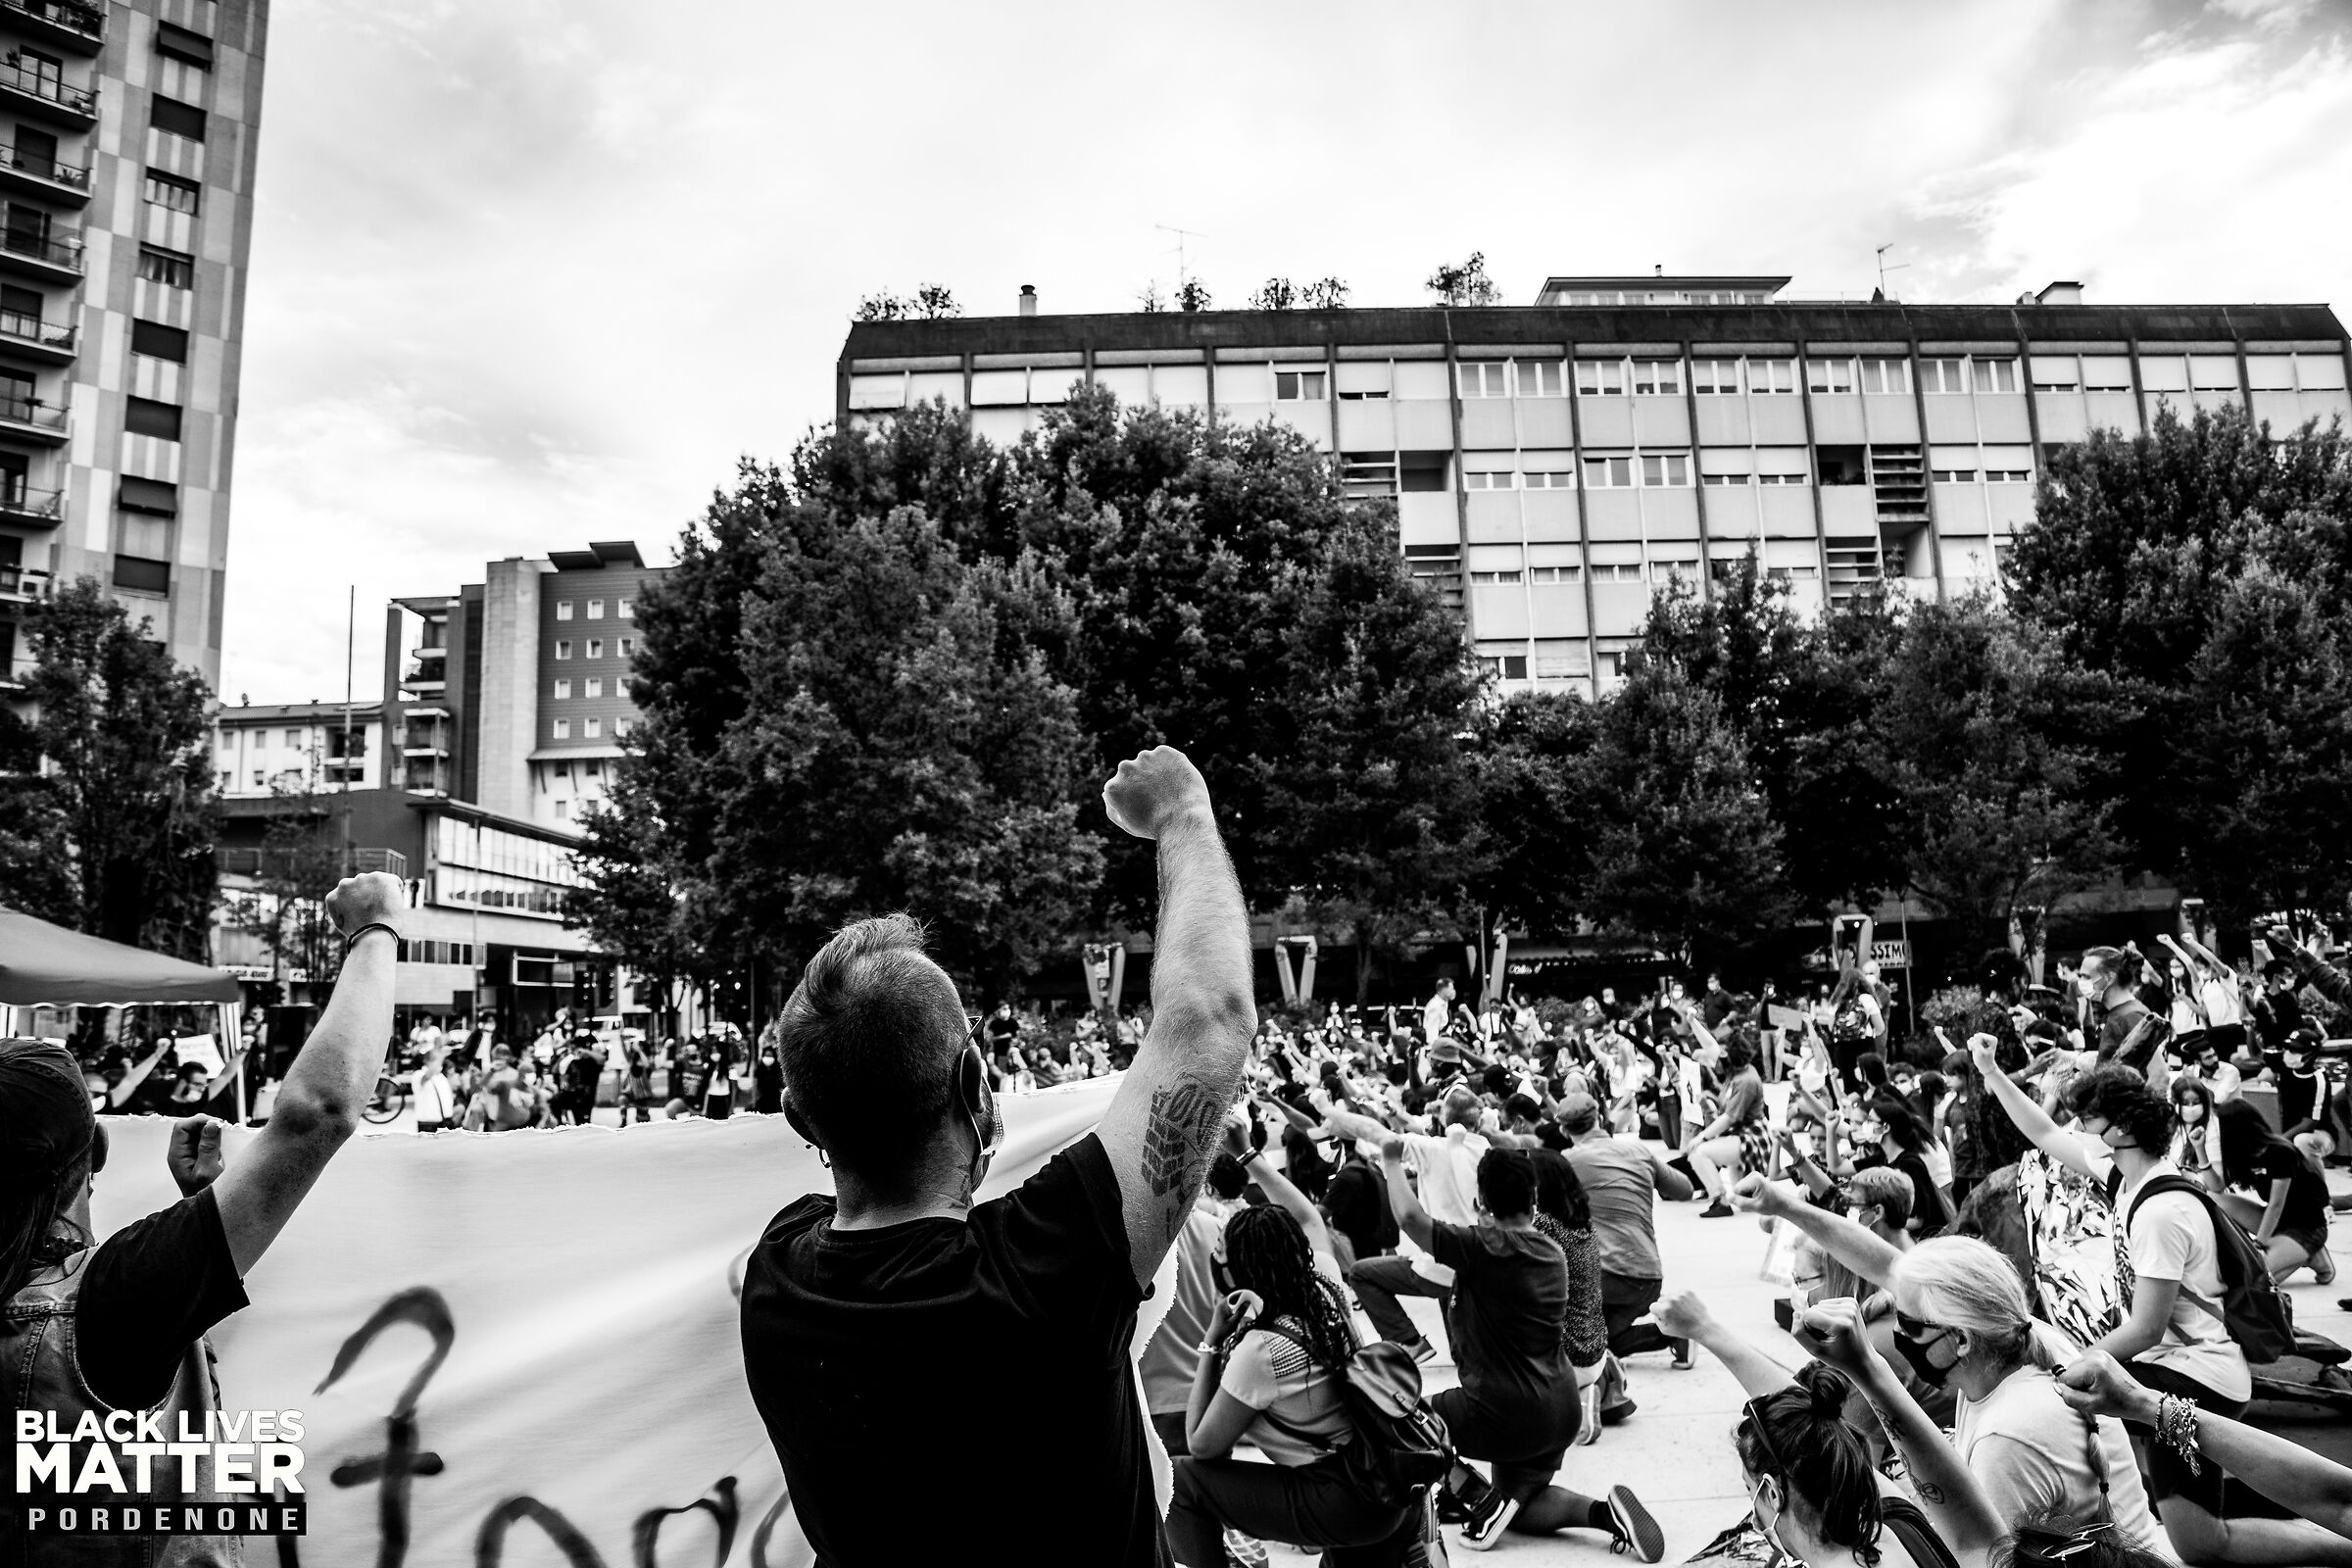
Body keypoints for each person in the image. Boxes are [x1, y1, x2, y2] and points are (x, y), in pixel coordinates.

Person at [739, 746, 1256, 1567]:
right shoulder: (1046, 1267)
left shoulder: (775, 1280)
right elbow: (1209, 1020)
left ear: (803, 1122)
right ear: (977, 1081)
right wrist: (1184, 812)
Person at [0, 873, 404, 1564]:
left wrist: (195, 1212)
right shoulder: (115, 1300)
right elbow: (320, 1114)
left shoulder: (103, 1297)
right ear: (95, 1151)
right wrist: (376, 930)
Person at [1974, 1048, 2352, 1565]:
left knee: (2200, 1543)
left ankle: (2340, 1546)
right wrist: (1992, 1074)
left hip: (2196, 1377)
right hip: (2180, 1367)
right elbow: (2043, 1134)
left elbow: (2147, 1327)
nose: (2078, 1126)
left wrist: (2067, 1360)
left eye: (2088, 1117)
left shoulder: (2159, 1211)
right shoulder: (2129, 1179)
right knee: (2193, 1523)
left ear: (2123, 1128)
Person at [1731, 1179, 2171, 1557]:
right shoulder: (2012, 1328)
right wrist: (1786, 1206)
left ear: (1959, 1339)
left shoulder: (2007, 1439)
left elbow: (1972, 1551)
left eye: (1906, 1325)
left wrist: (1866, 1369)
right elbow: (1882, 1263)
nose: (1895, 1334)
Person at [1378, 1141, 1662, 1557]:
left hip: (1501, 1410)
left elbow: (1408, 1216)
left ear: (1482, 1202)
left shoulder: (1485, 1247)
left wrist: (1389, 1160)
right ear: (1534, 1199)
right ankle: (1605, 1515)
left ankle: (1477, 1497)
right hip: (1557, 1407)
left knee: (1401, 1423)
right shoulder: (1550, 1250)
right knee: (1520, 1508)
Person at [1167, 1132, 1417, 1567]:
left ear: (1237, 1274)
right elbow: (1308, 1217)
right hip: (1379, 1483)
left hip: (1340, 1501)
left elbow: (1202, 1445)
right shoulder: (1326, 1285)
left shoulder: (1262, 1350)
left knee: (1181, 1481)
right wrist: (1247, 1154)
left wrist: (1212, 1340)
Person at [1321, 1084, 1491, 1363]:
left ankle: (1409, 1340)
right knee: (1463, 1352)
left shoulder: (1433, 1149)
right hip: (1476, 1260)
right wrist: (1397, 1114)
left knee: (1363, 1274)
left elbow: (1375, 1134)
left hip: (1440, 1264)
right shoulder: (1484, 1148)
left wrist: (1325, 1108)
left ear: (1442, 1121)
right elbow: (1426, 1131)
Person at [1558, 1091, 1694, 1370]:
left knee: (1577, 1347)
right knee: (1605, 1343)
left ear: (1563, 1128)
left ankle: (1672, 1333)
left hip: (1608, 1278)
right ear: (1599, 1118)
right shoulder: (1639, 1151)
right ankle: (1673, 1333)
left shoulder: (1567, 1162)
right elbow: (1685, 1190)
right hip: (1649, 1276)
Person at [2206, 1098, 2334, 1285]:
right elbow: (2216, 1187)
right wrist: (2199, 1148)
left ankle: (2311, 1255)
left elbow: (2276, 1204)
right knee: (2213, 1199)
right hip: (2278, 1221)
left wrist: (2259, 1245)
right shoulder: (2243, 1152)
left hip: (2306, 1227)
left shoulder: (2280, 1151)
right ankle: (2301, 1254)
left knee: (2255, 1281)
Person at [1687, 1034, 1769, 1218]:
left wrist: (1702, 1137)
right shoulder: (1738, 1072)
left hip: (1750, 1138)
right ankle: (1732, 1197)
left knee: (1698, 1152)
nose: (1715, 1062)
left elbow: (1730, 1117)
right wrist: (1692, 1021)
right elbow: (1710, 1045)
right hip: (1741, 1135)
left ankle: (1719, 1200)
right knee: (1745, 1201)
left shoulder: (1745, 1080)